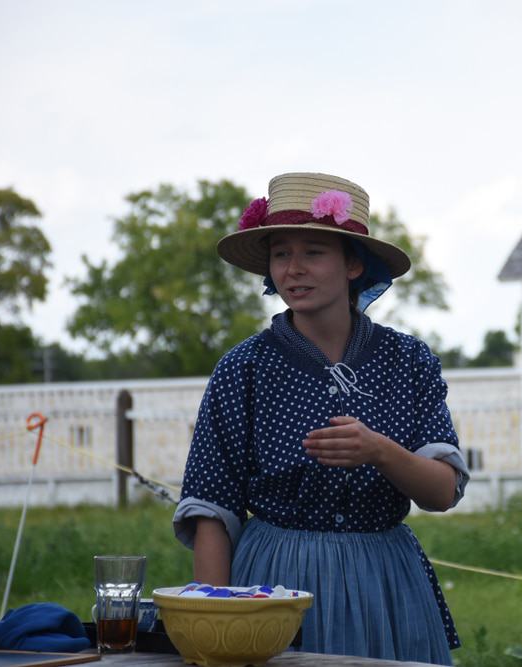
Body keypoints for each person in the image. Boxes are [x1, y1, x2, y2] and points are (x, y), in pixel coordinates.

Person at [172, 172, 469, 665]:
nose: (294, 269)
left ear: (354, 263)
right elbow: (211, 511)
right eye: (281, 253)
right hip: (272, 587)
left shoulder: (408, 360)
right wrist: (214, 630)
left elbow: (442, 492)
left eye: (313, 252)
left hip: (385, 586)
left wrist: (379, 450)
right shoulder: (244, 368)